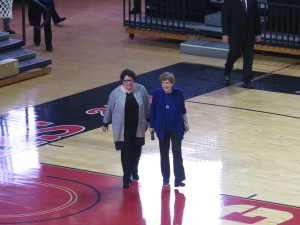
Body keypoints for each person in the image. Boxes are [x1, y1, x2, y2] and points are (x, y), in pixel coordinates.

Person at [102, 69, 150, 189]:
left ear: (134, 80)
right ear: (122, 81)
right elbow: (109, 108)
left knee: (137, 150)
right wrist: (105, 122)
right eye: (126, 81)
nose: (128, 83)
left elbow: (147, 105)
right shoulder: (115, 93)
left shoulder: (141, 89)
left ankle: (134, 170)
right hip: (123, 128)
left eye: (130, 80)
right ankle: (126, 177)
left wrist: (148, 120)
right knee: (126, 152)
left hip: (138, 126)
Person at [149, 72, 189, 187]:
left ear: (172, 83)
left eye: (167, 83)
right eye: (163, 83)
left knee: (177, 152)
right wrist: (152, 125)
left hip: (176, 128)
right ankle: (166, 178)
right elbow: (153, 110)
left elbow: (182, 109)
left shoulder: (178, 93)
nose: (165, 85)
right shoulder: (157, 93)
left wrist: (187, 123)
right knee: (164, 153)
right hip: (162, 128)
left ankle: (179, 179)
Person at [221, 0, 261, 88]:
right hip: (235, 34)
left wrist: (258, 33)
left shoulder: (252, 1)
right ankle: (228, 68)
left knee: (248, 57)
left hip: (249, 34)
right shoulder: (230, 1)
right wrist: (225, 34)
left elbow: (256, 17)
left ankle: (247, 79)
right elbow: (225, 17)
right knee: (234, 54)